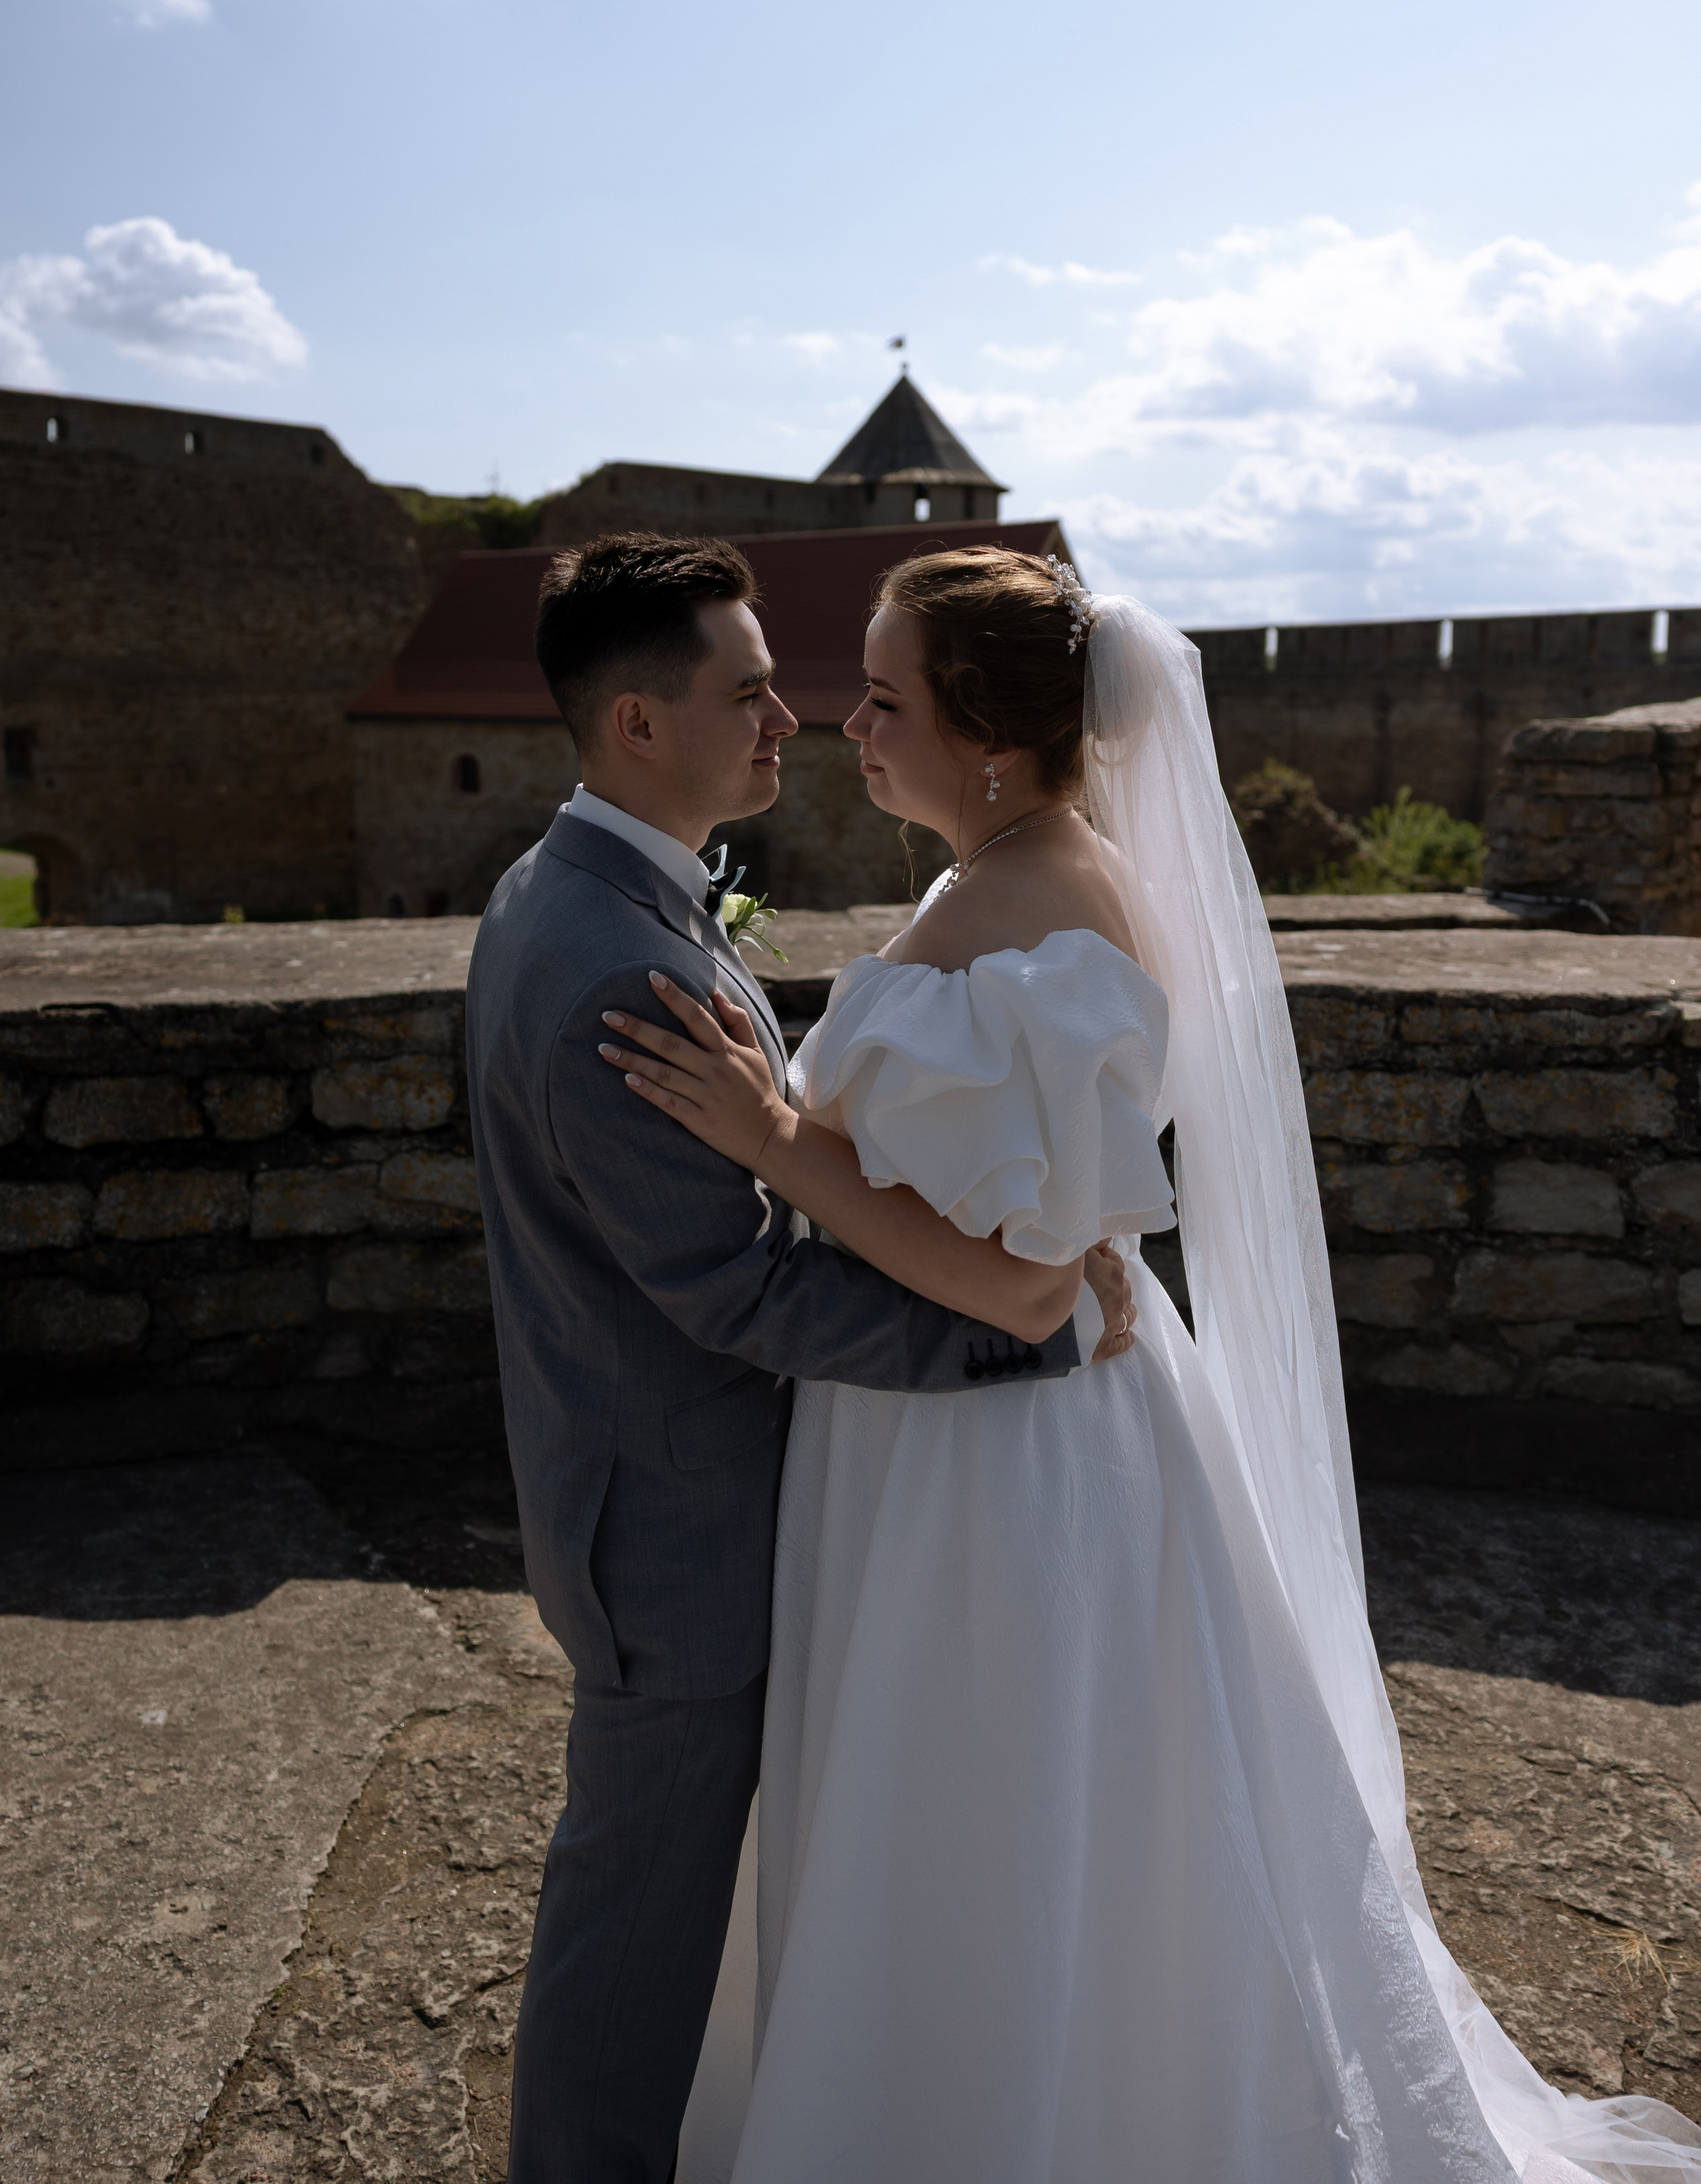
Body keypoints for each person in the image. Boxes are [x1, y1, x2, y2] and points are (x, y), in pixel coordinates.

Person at [602, 545, 1701, 2184]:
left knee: (998, 1803)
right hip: (939, 1432)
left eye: (885, 696)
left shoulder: (1041, 902)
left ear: (988, 734)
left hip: (996, 1455)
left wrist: (772, 1137)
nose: (847, 723)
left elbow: (1030, 1290)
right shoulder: (1013, 870)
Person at [463, 532, 1135, 2184]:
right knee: (633, 1924)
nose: (796, 718)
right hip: (671, 1530)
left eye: (827, 688)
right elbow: (735, 1292)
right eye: (750, 689)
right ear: (637, 726)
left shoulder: (589, 895)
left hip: (693, 1491)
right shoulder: (607, 966)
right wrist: (1018, 1332)